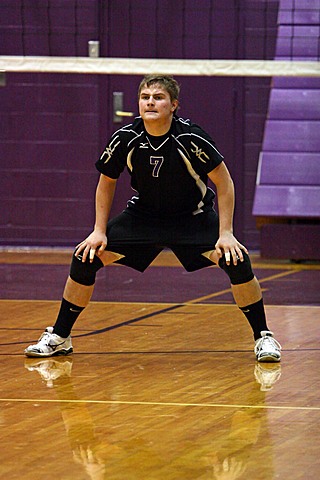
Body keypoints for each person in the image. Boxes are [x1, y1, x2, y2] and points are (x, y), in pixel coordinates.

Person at [24, 74, 281, 362]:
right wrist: (98, 230)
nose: (150, 102)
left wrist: (226, 233)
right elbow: (106, 182)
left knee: (237, 260)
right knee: (85, 256)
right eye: (145, 97)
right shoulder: (126, 138)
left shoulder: (190, 137)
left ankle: (264, 337)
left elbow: (225, 182)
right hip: (143, 217)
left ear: (173, 105)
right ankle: (60, 337)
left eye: (158, 97)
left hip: (192, 218)